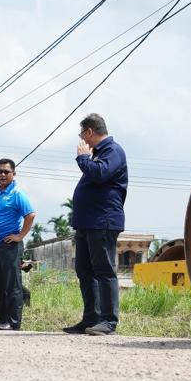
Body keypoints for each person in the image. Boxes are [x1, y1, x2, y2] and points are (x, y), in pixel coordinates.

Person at [64, 113, 127, 336]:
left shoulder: (113, 151)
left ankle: (108, 321)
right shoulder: (98, 154)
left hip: (103, 221)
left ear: (90, 132)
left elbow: (100, 174)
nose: (82, 140)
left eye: (82, 134)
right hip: (87, 223)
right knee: (84, 270)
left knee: (104, 270)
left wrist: (83, 158)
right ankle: (91, 318)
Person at [0, 159, 35, 331]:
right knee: (0, 283)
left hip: (10, 245)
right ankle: (3, 319)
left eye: (6, 171)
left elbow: (30, 215)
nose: (3, 174)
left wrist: (20, 236)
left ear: (14, 174)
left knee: (12, 284)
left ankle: (13, 321)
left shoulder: (17, 193)